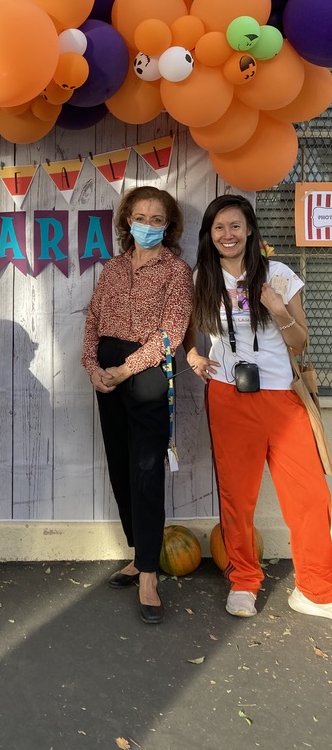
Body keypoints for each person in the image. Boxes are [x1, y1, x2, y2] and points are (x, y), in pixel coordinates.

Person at [185, 194, 332, 619]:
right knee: (238, 497)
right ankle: (244, 581)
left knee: (309, 495)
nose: (227, 234)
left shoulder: (279, 275)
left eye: (235, 225)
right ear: (209, 235)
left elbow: (300, 342)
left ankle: (316, 589)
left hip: (283, 398)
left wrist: (279, 310)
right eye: (219, 227)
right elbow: (192, 329)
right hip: (229, 397)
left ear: (250, 229)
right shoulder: (203, 278)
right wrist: (193, 356)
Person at [81, 186, 193, 624]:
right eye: (140, 217)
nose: (147, 225)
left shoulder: (177, 271)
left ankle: (149, 574)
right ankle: (138, 553)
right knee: (120, 466)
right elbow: (93, 320)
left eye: (156, 219)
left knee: (146, 470)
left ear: (168, 225)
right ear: (128, 221)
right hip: (107, 371)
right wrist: (92, 366)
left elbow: (171, 333)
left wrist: (125, 370)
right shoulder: (112, 268)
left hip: (145, 373)